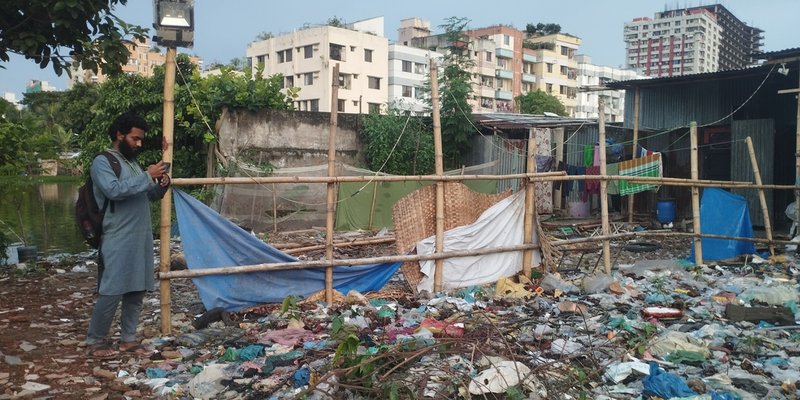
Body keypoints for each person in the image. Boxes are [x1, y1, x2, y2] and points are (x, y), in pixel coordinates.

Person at [85, 113, 171, 359]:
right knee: (111, 289)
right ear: (119, 135)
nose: (139, 144)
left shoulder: (132, 163)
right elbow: (113, 191)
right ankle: (95, 340)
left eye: (141, 140)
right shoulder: (103, 162)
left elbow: (146, 195)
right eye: (135, 139)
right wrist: (147, 176)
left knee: (136, 289)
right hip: (117, 235)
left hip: (140, 236)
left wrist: (160, 184)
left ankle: (128, 339)